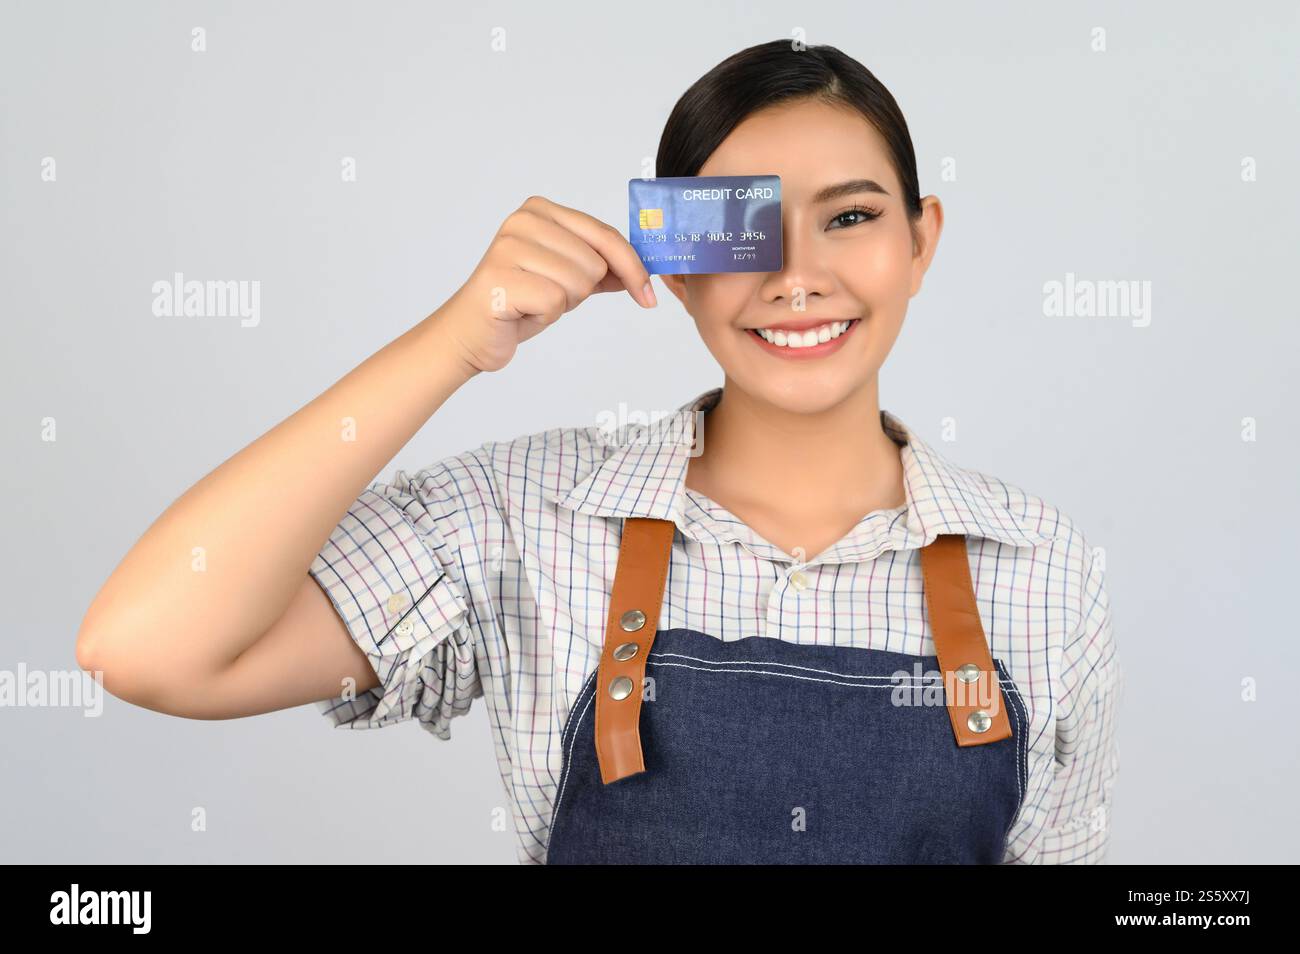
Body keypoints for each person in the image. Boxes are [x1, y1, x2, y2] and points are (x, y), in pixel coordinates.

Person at [75, 39, 1121, 865]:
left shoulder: (1042, 565)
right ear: (668, 254)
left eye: (848, 216)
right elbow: (148, 647)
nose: (797, 276)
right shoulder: (524, 514)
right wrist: (450, 342)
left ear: (920, 240)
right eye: (741, 231)